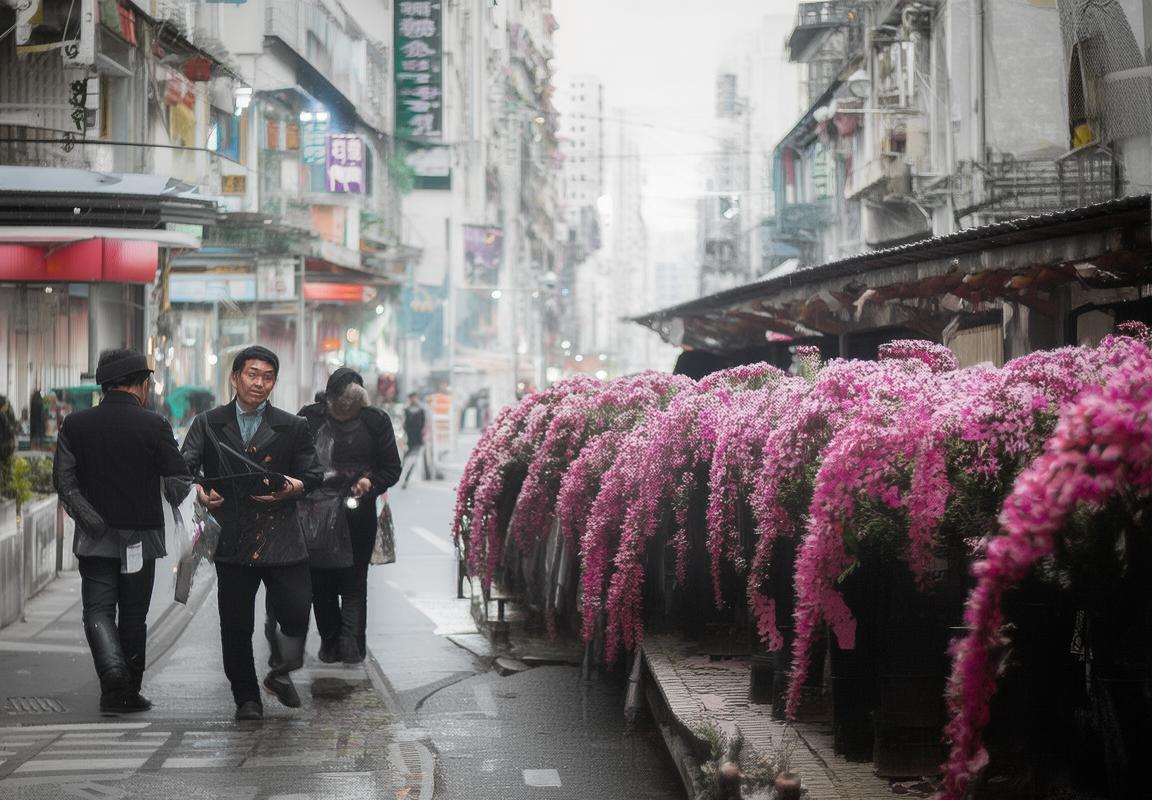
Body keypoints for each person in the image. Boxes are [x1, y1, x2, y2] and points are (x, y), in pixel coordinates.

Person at [181, 346, 323, 721]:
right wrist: (198, 490)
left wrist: (293, 486)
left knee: (297, 610)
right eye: (252, 374)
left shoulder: (293, 426)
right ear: (235, 377)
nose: (259, 383)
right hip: (233, 536)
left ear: (274, 382)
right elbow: (181, 471)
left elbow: (313, 475)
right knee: (235, 623)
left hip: (283, 537)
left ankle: (280, 670)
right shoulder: (208, 423)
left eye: (267, 377)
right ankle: (246, 697)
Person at [52, 348, 190, 714]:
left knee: (97, 610)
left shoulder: (75, 425)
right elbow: (177, 481)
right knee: (133, 615)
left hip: (94, 540)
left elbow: (64, 481)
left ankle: (112, 680)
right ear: (142, 385)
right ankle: (127, 689)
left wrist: (92, 520)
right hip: (141, 540)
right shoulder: (155, 425)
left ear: (104, 385)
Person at [297, 368, 401, 663]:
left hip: (357, 513)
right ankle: (330, 643)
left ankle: (351, 645)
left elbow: (391, 467)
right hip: (315, 514)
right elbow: (294, 458)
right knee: (320, 582)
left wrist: (370, 483)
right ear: (328, 401)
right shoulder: (309, 417)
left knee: (355, 579)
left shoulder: (376, 421)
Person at [400, 392, 426, 489]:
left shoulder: (421, 410)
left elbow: (424, 425)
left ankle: (406, 480)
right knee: (405, 460)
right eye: (411, 398)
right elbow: (403, 425)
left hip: (417, 440)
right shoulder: (406, 410)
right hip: (408, 440)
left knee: (413, 461)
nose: (413, 400)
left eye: (414, 398)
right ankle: (403, 478)